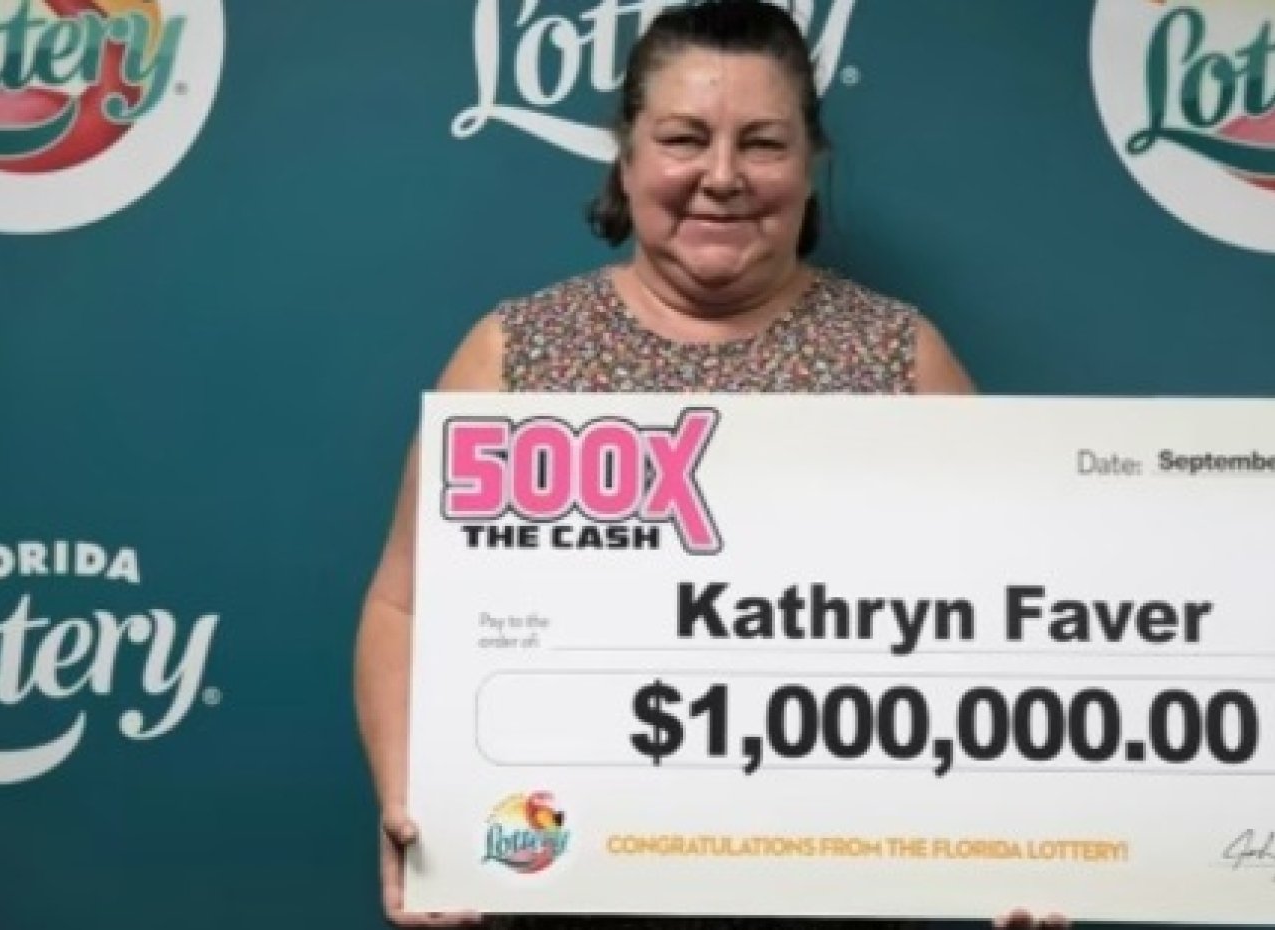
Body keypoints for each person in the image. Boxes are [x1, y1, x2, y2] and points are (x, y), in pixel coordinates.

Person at [353, 2, 1067, 929]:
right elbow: (405, 608)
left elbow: (1014, 630)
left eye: (762, 144)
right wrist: (418, 808)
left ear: (809, 163)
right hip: (566, 893)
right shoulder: (514, 354)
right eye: (685, 138)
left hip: (832, 900)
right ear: (627, 157)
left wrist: (1029, 840)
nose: (722, 177)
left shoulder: (902, 359)